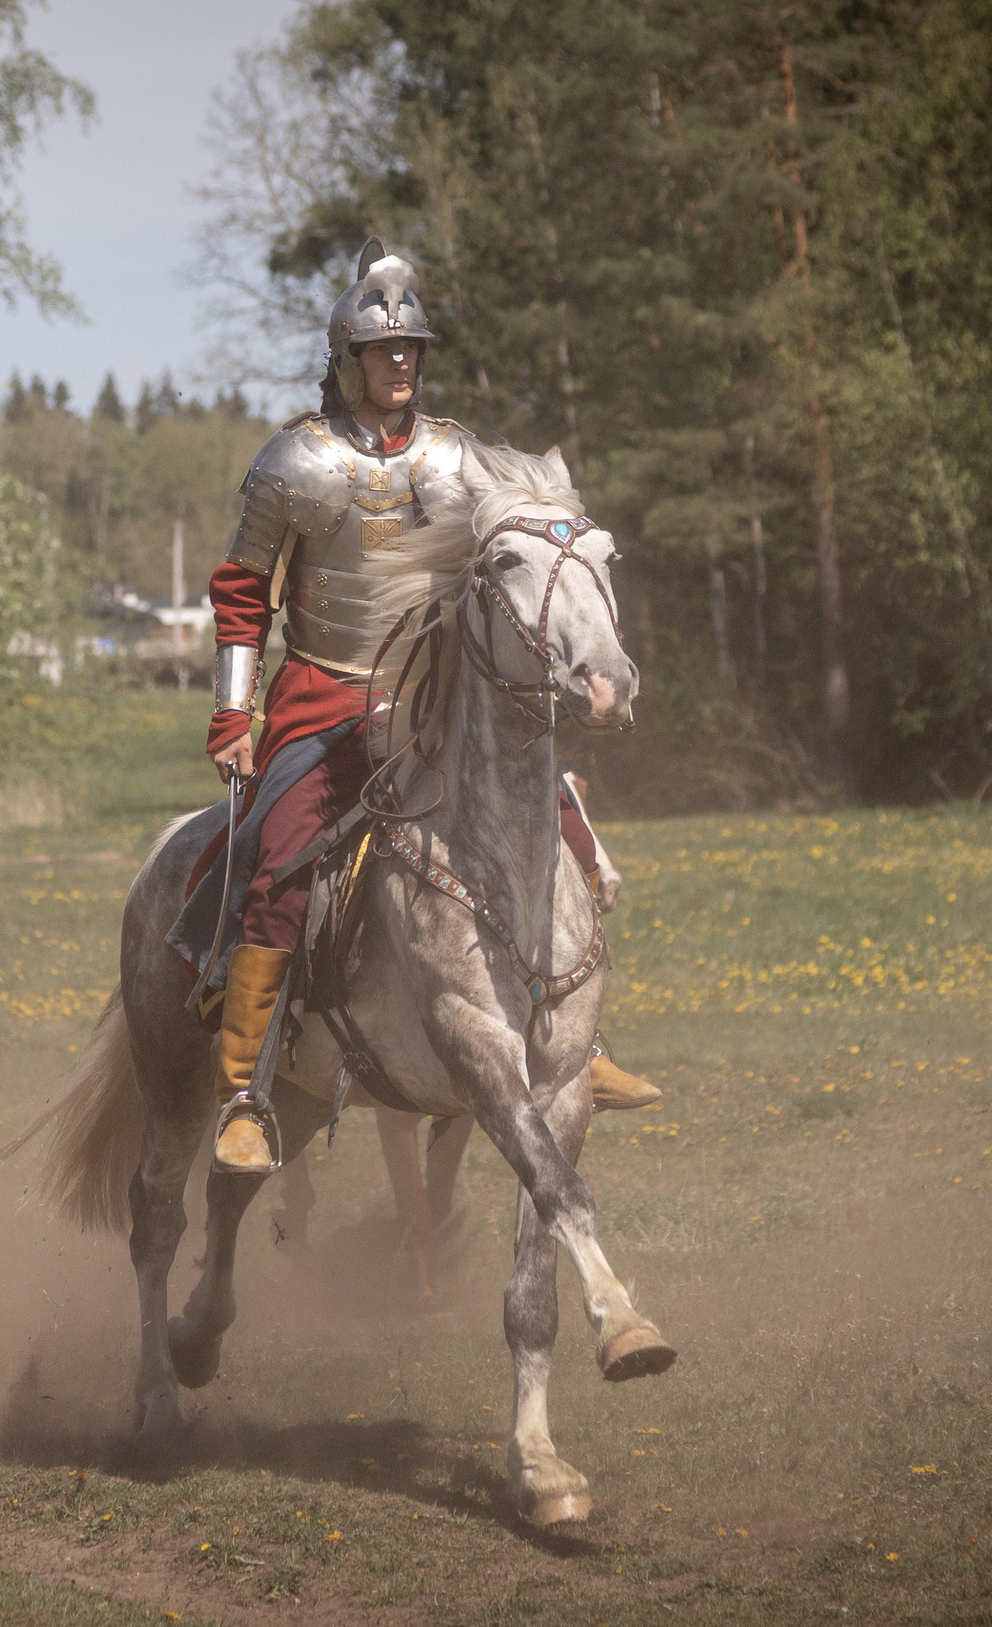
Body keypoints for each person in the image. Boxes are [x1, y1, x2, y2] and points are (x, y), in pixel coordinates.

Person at [202, 239, 660, 1172]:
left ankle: (579, 1045)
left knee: (556, 818)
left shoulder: (463, 460)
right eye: (384, 350)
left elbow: (524, 548)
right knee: (279, 850)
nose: (401, 362)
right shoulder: (292, 461)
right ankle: (245, 1088)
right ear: (348, 360)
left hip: (437, 691)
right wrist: (232, 715)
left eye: (413, 348)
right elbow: (242, 592)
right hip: (322, 697)